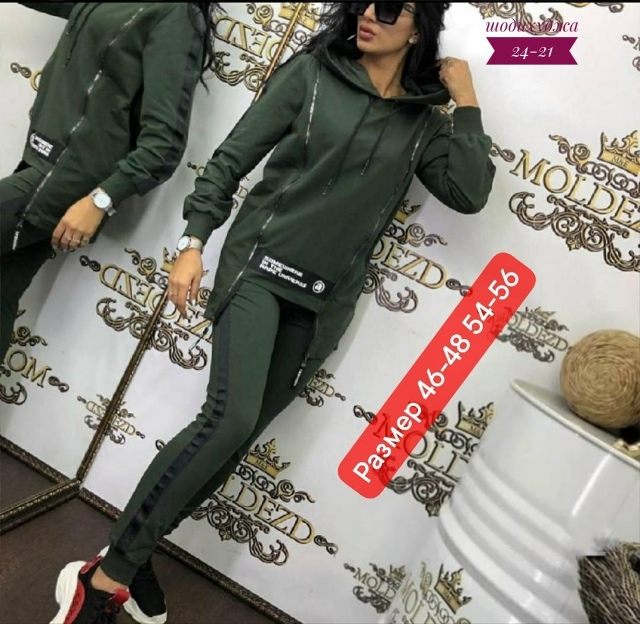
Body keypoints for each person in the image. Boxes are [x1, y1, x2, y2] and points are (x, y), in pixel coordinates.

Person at [50, 2, 496, 623]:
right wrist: (193, 243)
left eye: (391, 6)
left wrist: (466, 103)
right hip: (259, 271)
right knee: (227, 421)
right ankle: (103, 580)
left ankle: (137, 550)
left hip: (324, 303)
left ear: (418, 28)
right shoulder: (311, 75)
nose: (370, 13)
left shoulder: (423, 122)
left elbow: (469, 193)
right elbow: (231, 159)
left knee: (235, 443)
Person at [0, 2, 221, 364]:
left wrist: (100, 200)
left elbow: (164, 144)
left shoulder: (175, 16)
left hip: (64, 183)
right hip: (39, 163)